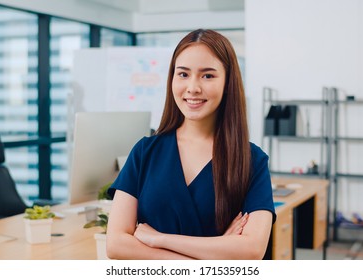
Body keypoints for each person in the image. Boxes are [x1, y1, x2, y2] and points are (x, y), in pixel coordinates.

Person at [106, 29, 275, 260]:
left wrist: (160, 240)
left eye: (207, 76)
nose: (193, 87)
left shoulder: (251, 160)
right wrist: (215, 253)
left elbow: (252, 250)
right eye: (183, 74)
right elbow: (116, 244)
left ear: (228, 83)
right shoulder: (145, 152)